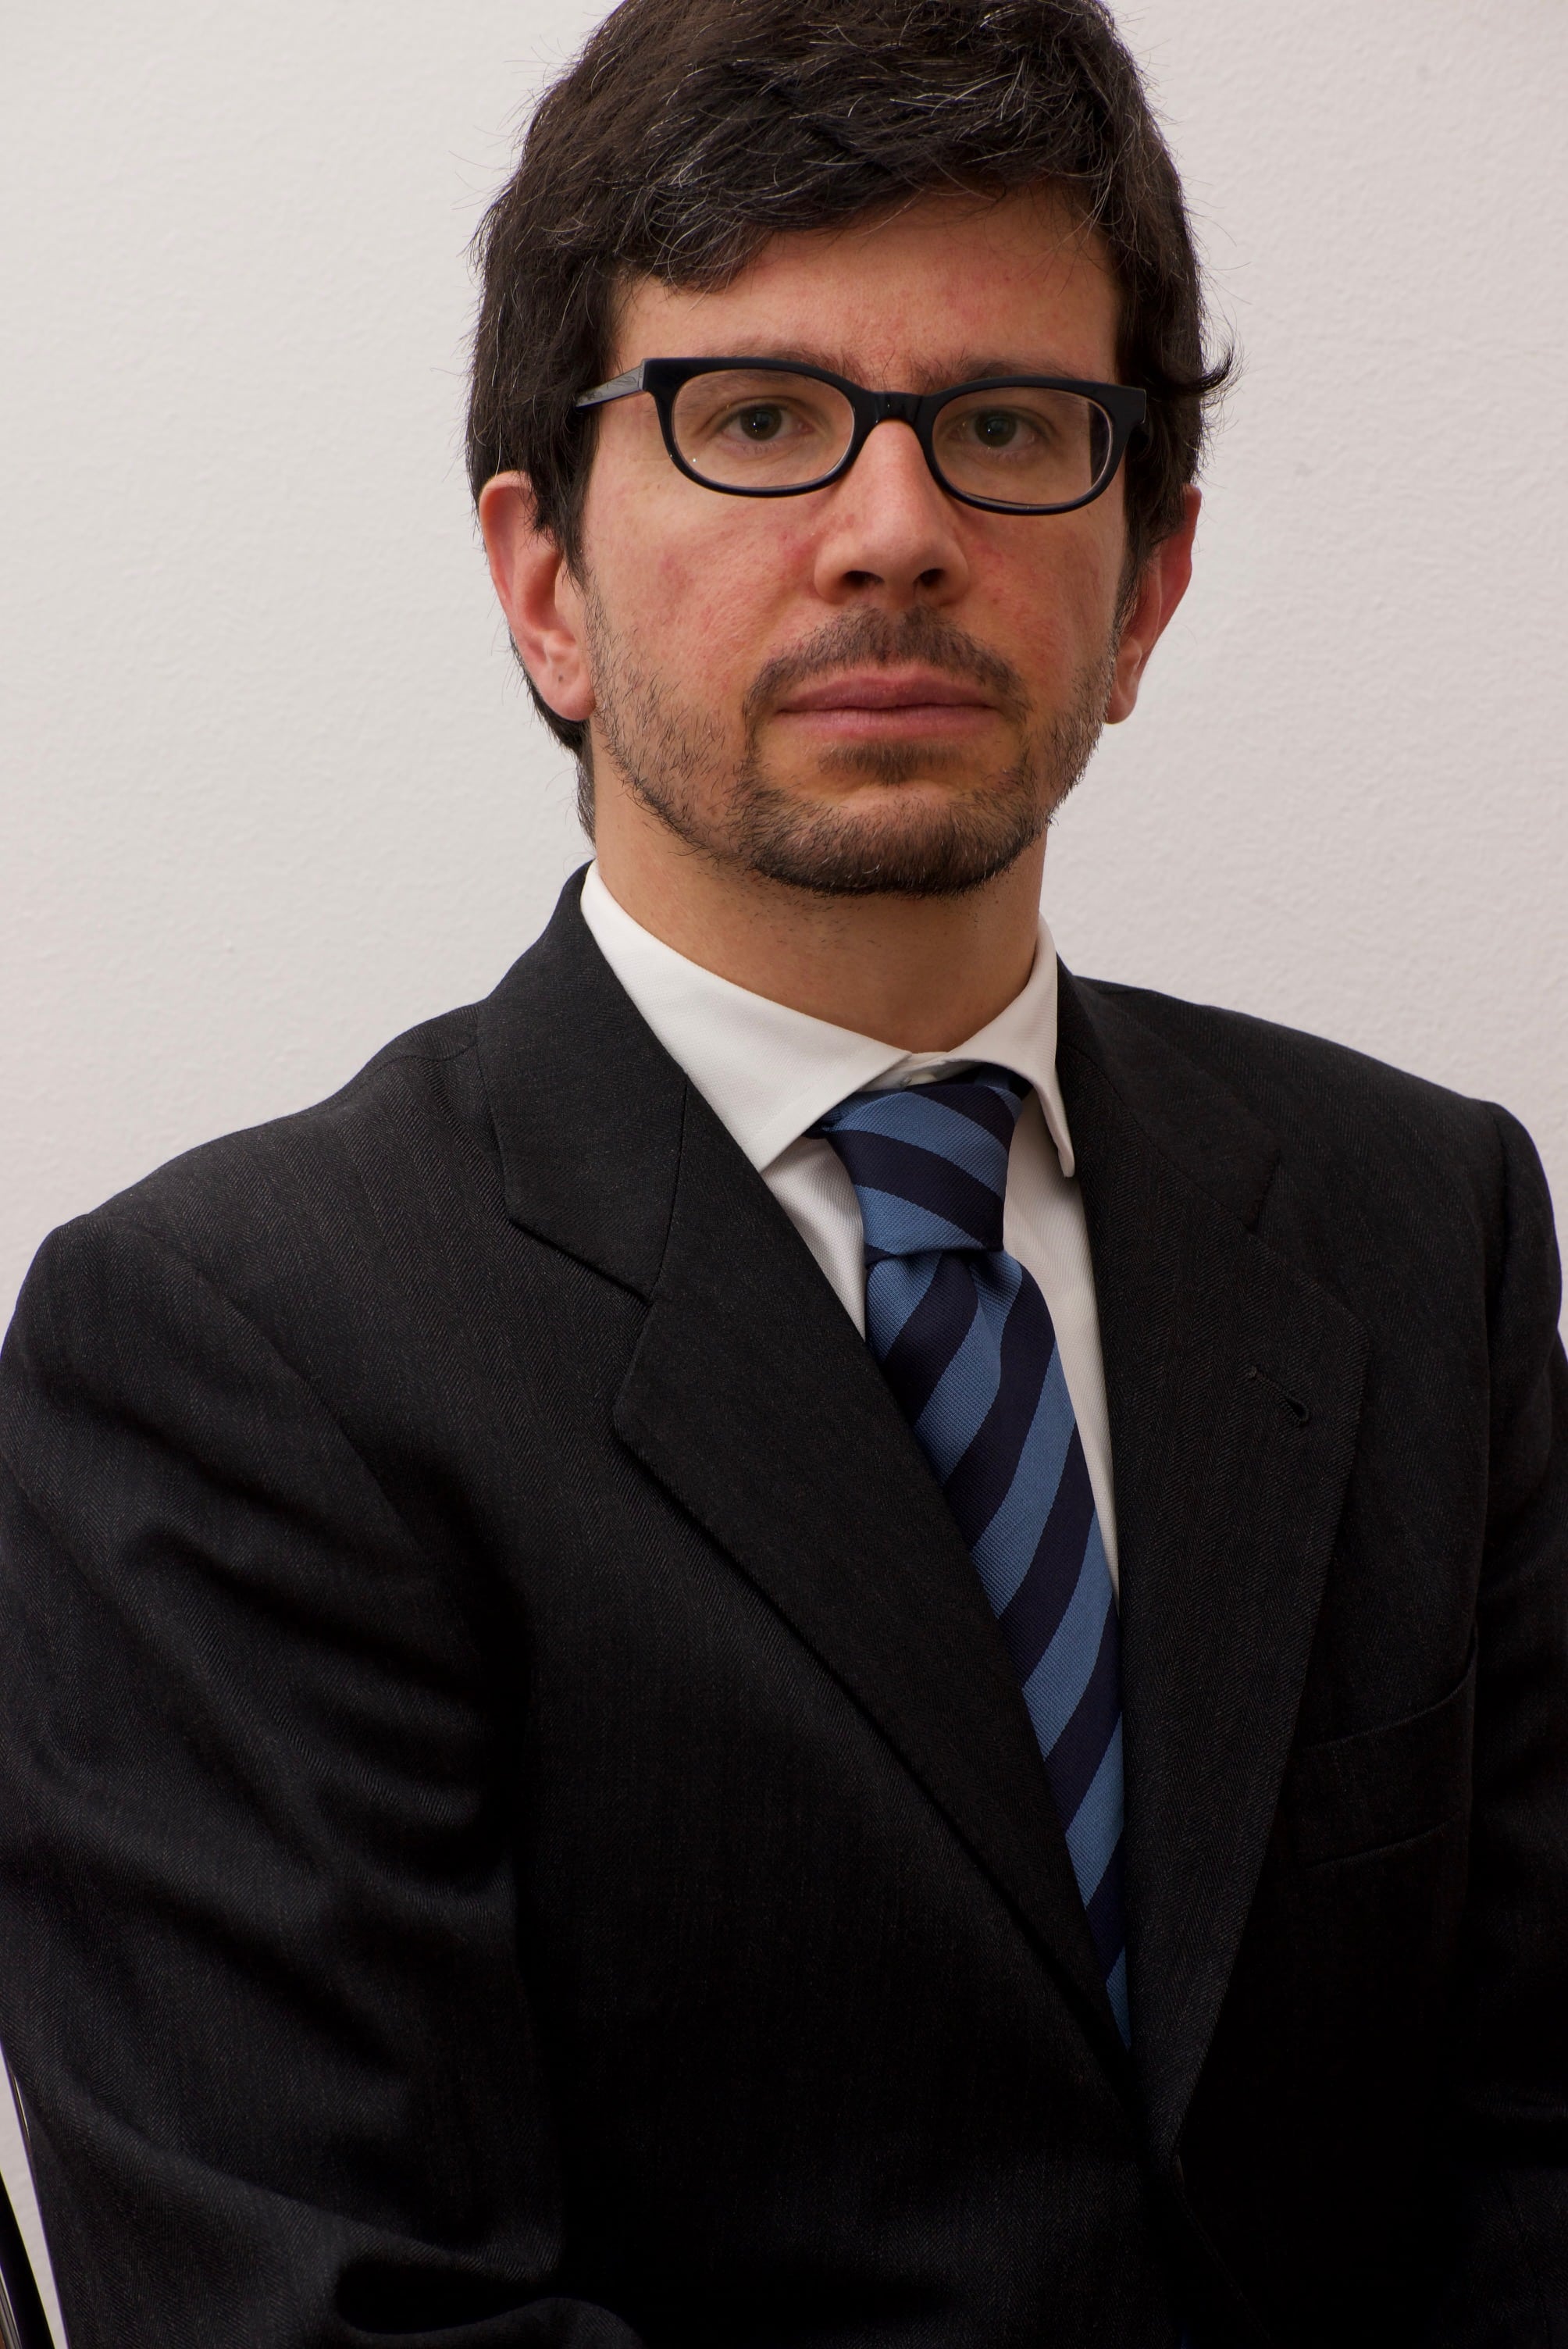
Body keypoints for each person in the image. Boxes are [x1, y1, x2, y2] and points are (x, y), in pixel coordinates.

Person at [1, 0, 1564, 2340]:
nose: (896, 533)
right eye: (754, 419)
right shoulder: (232, 1353)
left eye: (1009, 427)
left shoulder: (1423, 1224)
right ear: (545, 579)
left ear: (1148, 582)